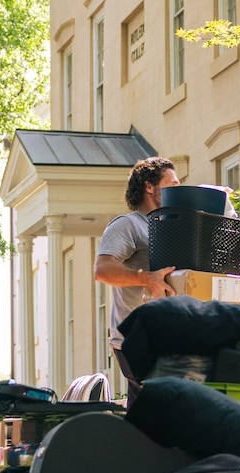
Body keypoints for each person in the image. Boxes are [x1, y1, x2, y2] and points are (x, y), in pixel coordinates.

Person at [93, 156, 181, 405]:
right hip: (135, 340)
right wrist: (146, 279)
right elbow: (103, 269)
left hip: (162, 339)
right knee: (159, 408)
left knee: (146, 415)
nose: (177, 190)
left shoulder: (169, 230)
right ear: (149, 186)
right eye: (171, 184)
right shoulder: (128, 225)